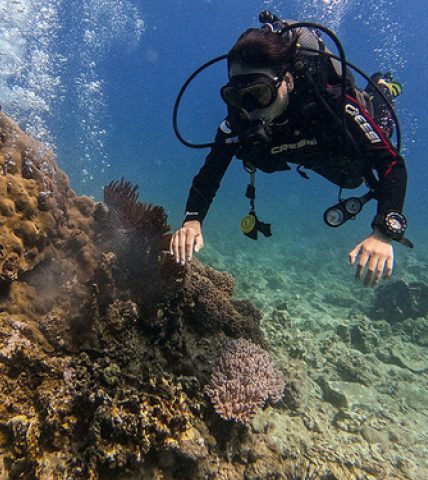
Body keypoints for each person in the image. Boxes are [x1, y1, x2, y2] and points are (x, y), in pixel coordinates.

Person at [170, 15, 409, 287]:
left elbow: (391, 162)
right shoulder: (238, 120)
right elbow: (209, 174)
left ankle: (381, 86)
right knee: (347, 178)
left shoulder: (331, 103)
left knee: (368, 150)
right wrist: (193, 220)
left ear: (287, 81)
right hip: (310, 156)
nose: (250, 108)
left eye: (259, 94)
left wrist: (383, 232)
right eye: (238, 96)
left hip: (337, 147)